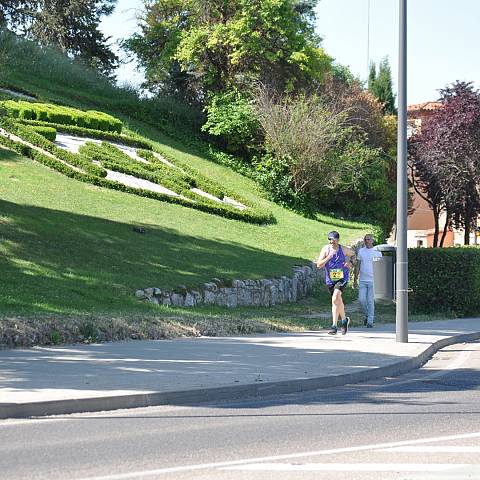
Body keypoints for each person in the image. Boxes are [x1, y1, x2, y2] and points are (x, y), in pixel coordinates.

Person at [316, 231, 356, 335]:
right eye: (329, 239)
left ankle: (334, 326)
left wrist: (350, 263)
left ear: (338, 240)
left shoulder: (343, 249)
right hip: (330, 279)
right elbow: (319, 265)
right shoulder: (325, 249)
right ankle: (344, 320)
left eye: (333, 240)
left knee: (335, 298)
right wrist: (329, 257)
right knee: (338, 300)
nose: (331, 241)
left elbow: (353, 254)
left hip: (342, 278)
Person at [354, 234, 382, 328]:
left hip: (373, 281)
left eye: (368, 239)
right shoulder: (361, 251)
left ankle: (370, 321)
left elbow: (379, 268)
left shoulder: (377, 253)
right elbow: (358, 265)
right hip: (362, 280)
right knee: (361, 300)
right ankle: (367, 315)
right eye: (365, 239)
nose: (366, 241)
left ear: (372, 241)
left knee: (370, 301)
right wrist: (355, 279)